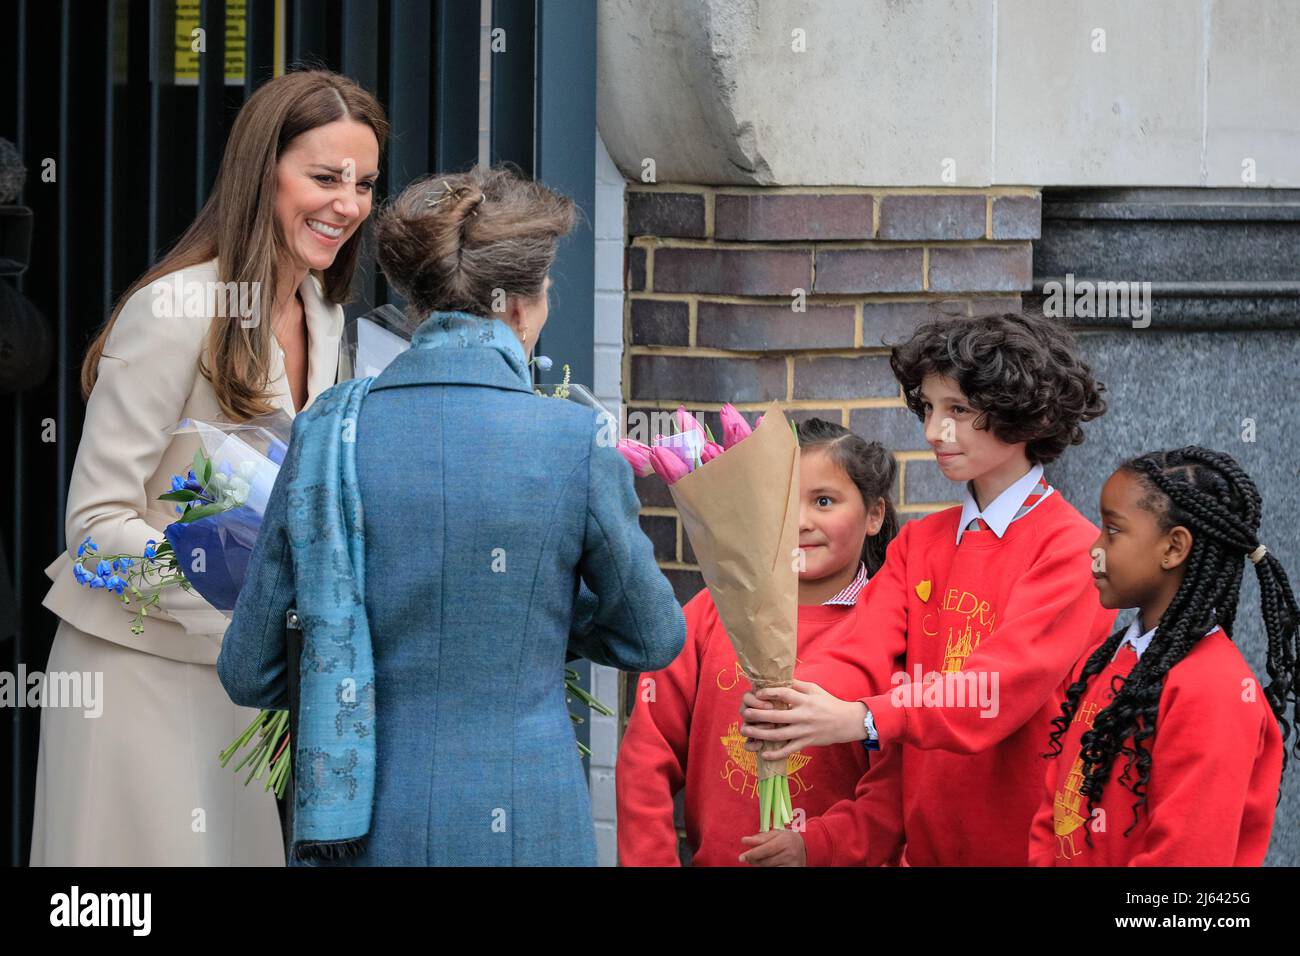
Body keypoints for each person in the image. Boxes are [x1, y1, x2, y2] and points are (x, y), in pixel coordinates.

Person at [217, 166, 687, 866]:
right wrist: (537, 614)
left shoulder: (325, 433)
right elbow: (652, 636)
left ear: (415, 304)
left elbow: (248, 673)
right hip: (528, 823)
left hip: (367, 827)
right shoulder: (571, 443)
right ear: (521, 308)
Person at [32, 69, 387, 866]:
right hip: (135, 678)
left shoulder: (331, 322)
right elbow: (93, 531)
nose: (348, 204)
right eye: (324, 177)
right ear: (263, 171)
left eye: (364, 184)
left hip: (245, 692)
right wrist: (233, 589)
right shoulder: (173, 311)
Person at [738, 311, 1116, 866]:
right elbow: (860, 650)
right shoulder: (920, 542)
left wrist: (864, 719)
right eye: (931, 408)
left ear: (1025, 415)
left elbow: (993, 689)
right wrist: (790, 697)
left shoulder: (1071, 549)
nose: (934, 432)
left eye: (959, 410)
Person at [617, 419, 900, 865]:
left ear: (874, 515)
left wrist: (822, 845)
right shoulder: (712, 612)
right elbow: (646, 757)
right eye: (784, 501)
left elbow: (896, 787)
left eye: (824, 501)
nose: (800, 521)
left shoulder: (893, 627)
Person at [1031, 447, 1295, 865]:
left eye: (1113, 531)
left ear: (1173, 548)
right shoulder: (1107, 662)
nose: (1094, 549)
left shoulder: (1215, 691)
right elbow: (1054, 805)